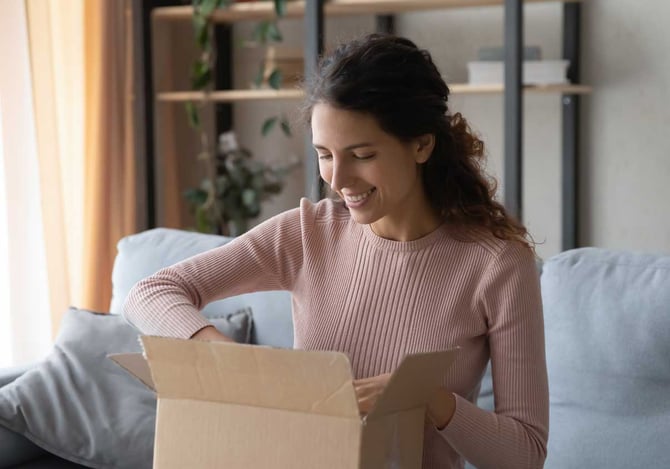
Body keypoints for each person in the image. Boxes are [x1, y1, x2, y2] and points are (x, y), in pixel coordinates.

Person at [124, 33, 548, 469]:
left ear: (422, 144)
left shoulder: (497, 265)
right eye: (324, 154)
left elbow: (525, 454)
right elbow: (151, 293)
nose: (339, 178)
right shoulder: (309, 233)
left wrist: (428, 400)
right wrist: (223, 357)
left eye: (361, 154)